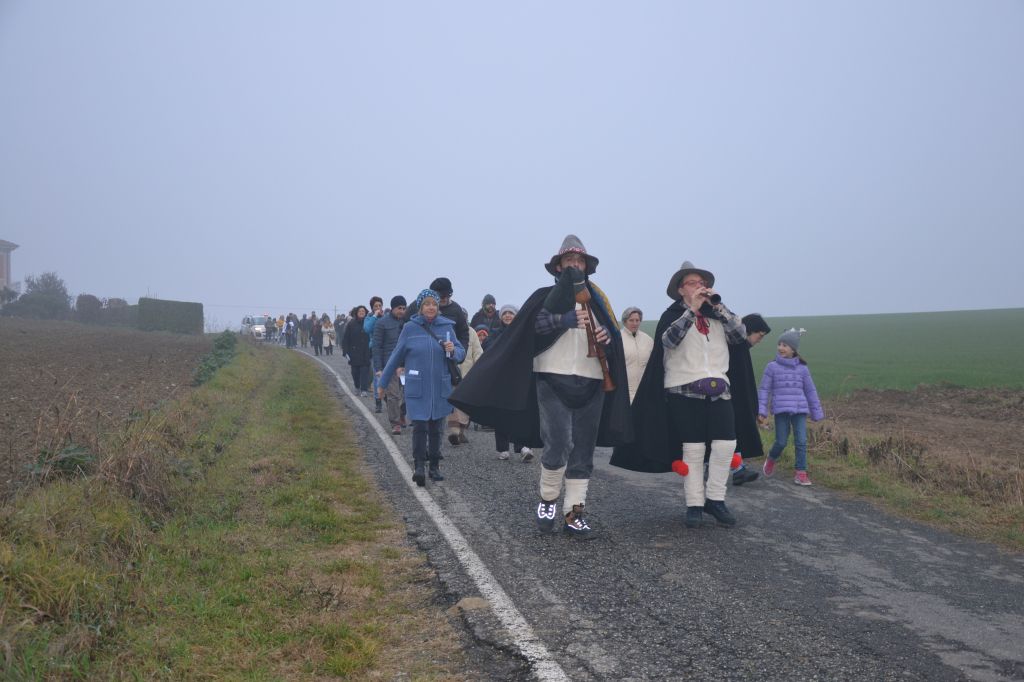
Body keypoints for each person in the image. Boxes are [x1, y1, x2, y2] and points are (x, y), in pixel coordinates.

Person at [450, 235, 632, 539]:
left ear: (586, 267)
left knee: (583, 451)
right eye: (569, 261)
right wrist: (564, 319)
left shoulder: (599, 302)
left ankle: (574, 513)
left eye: (579, 261)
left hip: (593, 383)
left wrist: (607, 338)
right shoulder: (543, 297)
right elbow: (533, 327)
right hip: (552, 380)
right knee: (557, 445)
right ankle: (548, 501)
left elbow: (614, 340)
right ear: (558, 267)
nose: (575, 265)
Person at [610, 261, 747, 529]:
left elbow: (740, 336)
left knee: (725, 444)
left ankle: (716, 499)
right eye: (693, 283)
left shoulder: (718, 314)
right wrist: (692, 310)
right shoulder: (672, 316)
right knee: (693, 448)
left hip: (720, 387)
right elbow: (668, 341)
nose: (700, 287)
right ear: (681, 290)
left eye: (702, 283)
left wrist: (720, 307)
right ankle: (694, 503)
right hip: (683, 388)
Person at [379, 289, 466, 486]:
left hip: (440, 386)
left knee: (436, 428)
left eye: (434, 304)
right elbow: (395, 356)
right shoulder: (410, 328)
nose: (431, 307)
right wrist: (382, 383)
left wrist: (453, 350)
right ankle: (419, 466)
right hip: (417, 387)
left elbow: (461, 352)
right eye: (427, 304)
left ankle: (434, 467)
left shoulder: (447, 327)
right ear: (420, 307)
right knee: (419, 427)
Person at [758, 328, 825, 486]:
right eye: (779, 344)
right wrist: (762, 410)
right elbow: (764, 390)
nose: (780, 348)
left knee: (801, 441)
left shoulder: (803, 369)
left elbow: (810, 390)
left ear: (793, 349)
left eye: (785, 345)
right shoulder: (771, 367)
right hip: (781, 410)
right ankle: (771, 458)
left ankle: (801, 473)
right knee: (781, 442)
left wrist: (816, 412)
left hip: (799, 410)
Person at [726, 313, 772, 486]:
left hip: (735, 400)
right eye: (760, 335)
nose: (760, 340)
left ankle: (737, 469)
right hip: (732, 400)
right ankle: (735, 469)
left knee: (732, 434)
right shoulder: (737, 348)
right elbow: (740, 380)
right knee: (731, 434)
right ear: (750, 330)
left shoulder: (740, 348)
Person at [404, 277, 470, 351]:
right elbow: (403, 328)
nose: (445, 298)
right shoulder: (416, 306)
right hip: (419, 353)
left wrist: (459, 352)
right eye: (442, 296)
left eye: (448, 295)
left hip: (448, 355)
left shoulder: (456, 309)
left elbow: (463, 334)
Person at [447, 316, 484, 446]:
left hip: (467, 374)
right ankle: (454, 431)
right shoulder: (447, 330)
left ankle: (461, 431)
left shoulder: (471, 332)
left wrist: (479, 368)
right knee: (452, 403)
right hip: (451, 373)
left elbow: (478, 351)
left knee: (463, 405)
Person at [374, 296, 408, 435]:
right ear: (393, 308)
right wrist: (379, 368)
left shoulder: (408, 323)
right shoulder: (381, 323)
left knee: (407, 394)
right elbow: (377, 347)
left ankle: (401, 414)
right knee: (393, 395)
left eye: (404, 308)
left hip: (406, 365)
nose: (402, 311)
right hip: (390, 365)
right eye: (399, 308)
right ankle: (395, 423)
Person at [620, 306, 654, 404]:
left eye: (637, 320)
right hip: (624, 392)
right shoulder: (617, 339)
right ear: (625, 321)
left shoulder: (648, 340)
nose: (635, 323)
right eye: (631, 320)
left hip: (645, 390)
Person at [342, 305, 373, 396]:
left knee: (364, 371)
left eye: (363, 311)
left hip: (366, 352)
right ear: (356, 313)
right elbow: (346, 338)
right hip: (354, 352)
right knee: (355, 372)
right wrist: (345, 351)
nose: (362, 312)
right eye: (360, 311)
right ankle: (357, 386)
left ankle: (364, 390)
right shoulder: (351, 324)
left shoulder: (368, 323)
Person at [365, 297, 385, 412]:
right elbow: (367, 329)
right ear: (372, 307)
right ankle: (378, 402)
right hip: (375, 349)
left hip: (386, 349)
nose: (378, 307)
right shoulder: (369, 318)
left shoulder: (386, 317)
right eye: (376, 306)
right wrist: (375, 316)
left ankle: (388, 398)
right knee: (378, 376)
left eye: (380, 305)